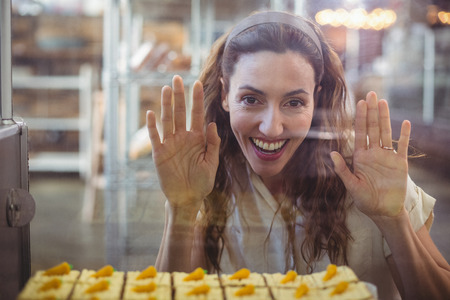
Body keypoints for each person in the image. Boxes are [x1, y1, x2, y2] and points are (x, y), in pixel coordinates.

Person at [146, 11, 450, 300]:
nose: (271, 127)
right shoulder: (208, 176)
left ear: (316, 97)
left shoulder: (373, 170)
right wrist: (183, 209)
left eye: (293, 102)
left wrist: (393, 219)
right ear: (225, 95)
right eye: (251, 99)